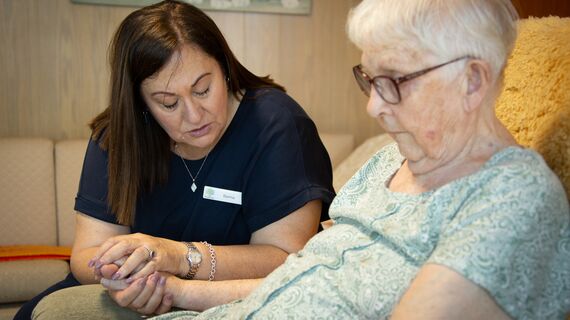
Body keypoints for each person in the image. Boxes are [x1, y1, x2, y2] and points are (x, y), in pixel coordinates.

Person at [33, 0, 570, 319]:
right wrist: (176, 291)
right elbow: (306, 270)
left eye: (394, 82)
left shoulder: (509, 196)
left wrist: (182, 262)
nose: (372, 105)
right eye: (368, 79)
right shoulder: (383, 166)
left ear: (472, 80)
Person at [16, 0, 336, 319]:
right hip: (130, 294)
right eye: (169, 103)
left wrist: (177, 257)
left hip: (233, 298)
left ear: (224, 69)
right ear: (140, 103)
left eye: (203, 89)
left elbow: (285, 257)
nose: (195, 115)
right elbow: (87, 254)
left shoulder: (276, 124)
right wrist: (129, 277)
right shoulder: (118, 134)